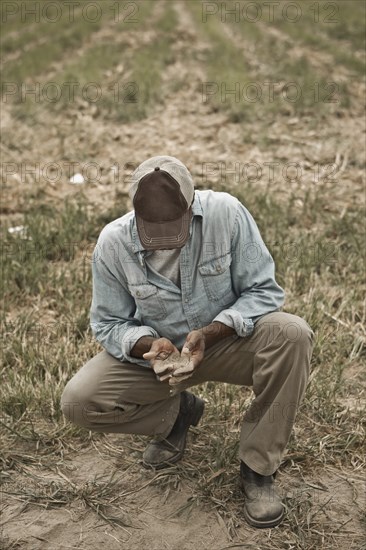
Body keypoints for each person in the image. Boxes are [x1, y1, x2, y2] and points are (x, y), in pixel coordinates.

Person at [61, 155, 314, 529]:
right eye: (152, 229)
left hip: (225, 342)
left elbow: (263, 291)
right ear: (134, 212)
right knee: (79, 402)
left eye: (173, 228)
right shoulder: (113, 242)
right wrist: (146, 344)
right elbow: (108, 322)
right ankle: (178, 415)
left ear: (192, 204)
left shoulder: (227, 213)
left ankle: (258, 468)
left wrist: (212, 332)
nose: (163, 241)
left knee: (292, 334)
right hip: (161, 363)